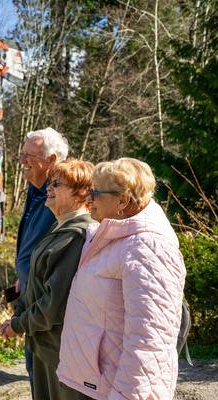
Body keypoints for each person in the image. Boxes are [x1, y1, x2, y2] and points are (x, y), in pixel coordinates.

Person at [57, 158, 186, 400]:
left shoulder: (147, 248)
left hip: (116, 391)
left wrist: (126, 396)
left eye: (95, 192)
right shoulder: (112, 235)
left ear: (123, 200)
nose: (88, 198)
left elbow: (150, 338)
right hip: (95, 384)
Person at [1, 159, 96, 400]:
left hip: (61, 352)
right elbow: (37, 284)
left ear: (82, 192)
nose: (48, 188)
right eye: (50, 183)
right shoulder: (59, 229)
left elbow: (53, 305)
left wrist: (18, 325)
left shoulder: (77, 236)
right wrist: (19, 314)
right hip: (43, 345)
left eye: (56, 184)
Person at [11, 127, 69, 393]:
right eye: (22, 154)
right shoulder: (36, 191)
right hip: (30, 296)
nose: (22, 161)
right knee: (35, 375)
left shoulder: (62, 196)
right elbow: (33, 245)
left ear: (53, 160)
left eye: (29, 156)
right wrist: (22, 276)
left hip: (48, 312)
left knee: (51, 383)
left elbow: (61, 254)